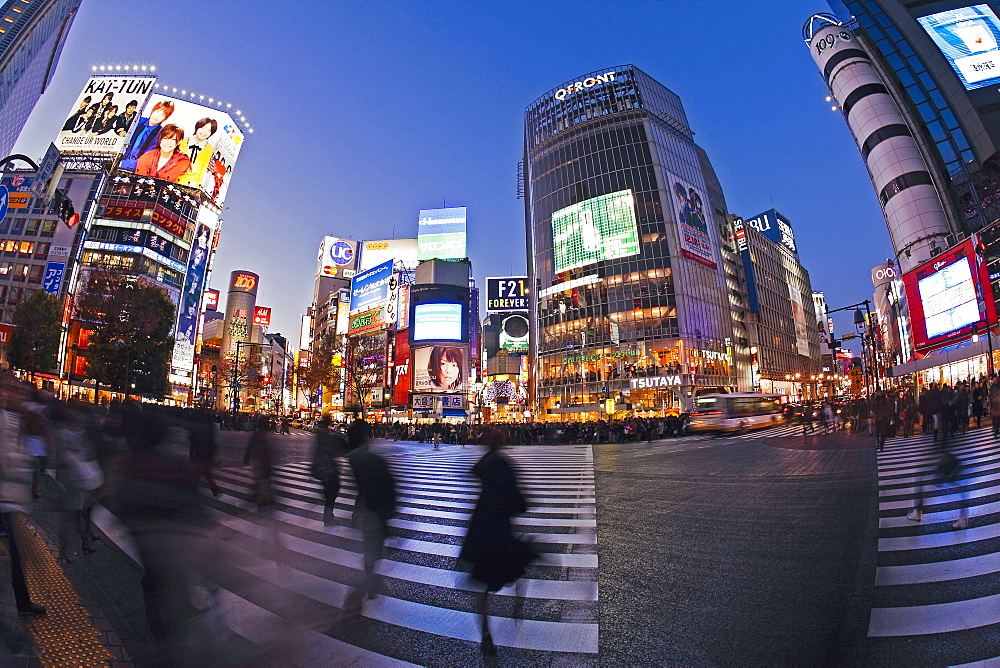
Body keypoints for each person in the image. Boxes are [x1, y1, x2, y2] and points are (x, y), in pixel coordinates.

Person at [459, 428, 536, 655]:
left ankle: (485, 633)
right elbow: (519, 501)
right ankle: (516, 606)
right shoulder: (504, 466)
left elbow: (474, 472)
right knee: (519, 564)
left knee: (482, 584)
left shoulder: (484, 465)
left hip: (482, 529)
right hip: (501, 530)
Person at [0, 379, 46, 617]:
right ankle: (23, 603)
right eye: (18, 392)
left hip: (9, 500)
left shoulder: (16, 419)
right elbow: (6, 460)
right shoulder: (4, 419)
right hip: (4, 499)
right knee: (18, 555)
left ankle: (23, 602)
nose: (22, 399)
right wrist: (24, 464)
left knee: (18, 556)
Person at [343, 419, 396, 617]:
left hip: (365, 512)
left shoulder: (355, 458)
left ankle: (371, 583)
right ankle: (357, 597)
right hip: (374, 513)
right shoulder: (369, 460)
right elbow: (383, 488)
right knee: (374, 552)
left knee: (371, 553)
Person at [120, 100, 175, 170]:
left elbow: (148, 156)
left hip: (134, 167)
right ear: (153, 110)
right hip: (119, 157)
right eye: (157, 111)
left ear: (165, 118)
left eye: (163, 115)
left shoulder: (161, 133)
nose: (157, 116)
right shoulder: (138, 121)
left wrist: (123, 164)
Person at [311, 417, 346, 527]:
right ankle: (328, 518)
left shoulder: (320, 437)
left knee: (330, 494)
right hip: (328, 470)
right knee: (331, 494)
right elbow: (337, 450)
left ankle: (328, 517)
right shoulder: (326, 438)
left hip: (324, 469)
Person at [177, 117, 218, 188]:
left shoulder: (209, 149)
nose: (204, 132)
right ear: (197, 127)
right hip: (174, 179)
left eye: (209, 130)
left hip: (191, 185)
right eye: (202, 128)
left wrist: (197, 187)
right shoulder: (182, 140)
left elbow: (202, 170)